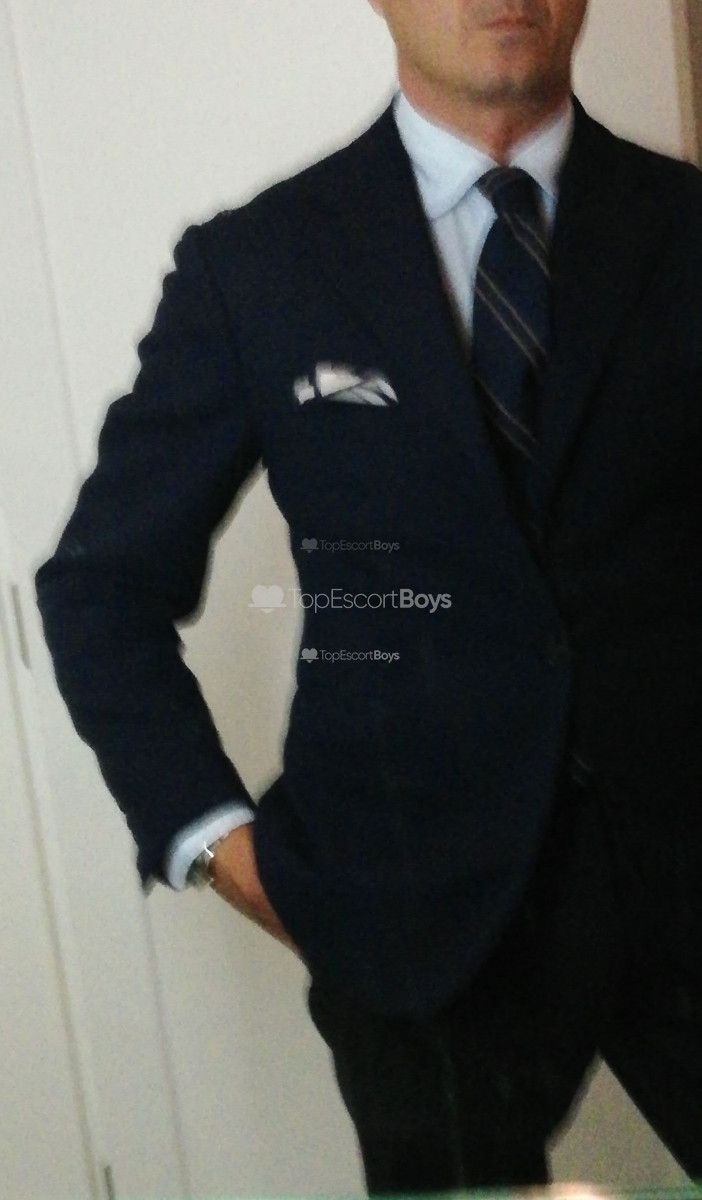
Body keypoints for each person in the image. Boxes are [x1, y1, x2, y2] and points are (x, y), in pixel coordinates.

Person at [35, 0, 702, 1189]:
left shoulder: (687, 231)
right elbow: (100, 588)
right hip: (405, 911)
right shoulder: (257, 267)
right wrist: (220, 844)